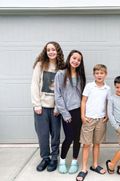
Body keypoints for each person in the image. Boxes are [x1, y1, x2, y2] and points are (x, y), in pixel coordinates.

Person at [31, 41, 65, 172]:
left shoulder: (61, 67)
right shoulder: (40, 65)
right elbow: (34, 84)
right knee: (43, 134)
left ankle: (54, 158)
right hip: (41, 107)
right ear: (45, 51)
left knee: (55, 135)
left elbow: (62, 89)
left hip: (56, 109)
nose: (51, 52)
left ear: (58, 52)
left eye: (54, 49)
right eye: (48, 49)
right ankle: (45, 157)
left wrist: (58, 107)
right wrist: (36, 104)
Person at [76, 64, 111, 181]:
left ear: (105, 74)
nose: (99, 75)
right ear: (94, 74)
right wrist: (82, 115)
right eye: (97, 73)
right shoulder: (89, 86)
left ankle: (95, 165)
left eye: (101, 73)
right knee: (86, 144)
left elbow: (107, 103)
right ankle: (84, 169)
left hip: (101, 119)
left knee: (97, 143)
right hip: (89, 119)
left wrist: (107, 114)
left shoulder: (108, 88)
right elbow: (83, 101)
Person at [54, 50, 86, 174]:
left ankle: (74, 161)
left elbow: (82, 95)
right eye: (74, 58)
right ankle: (62, 161)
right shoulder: (60, 74)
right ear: (69, 58)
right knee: (69, 137)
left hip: (78, 110)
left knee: (77, 138)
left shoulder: (80, 75)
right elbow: (58, 95)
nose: (76, 61)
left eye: (79, 60)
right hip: (67, 111)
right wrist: (64, 112)